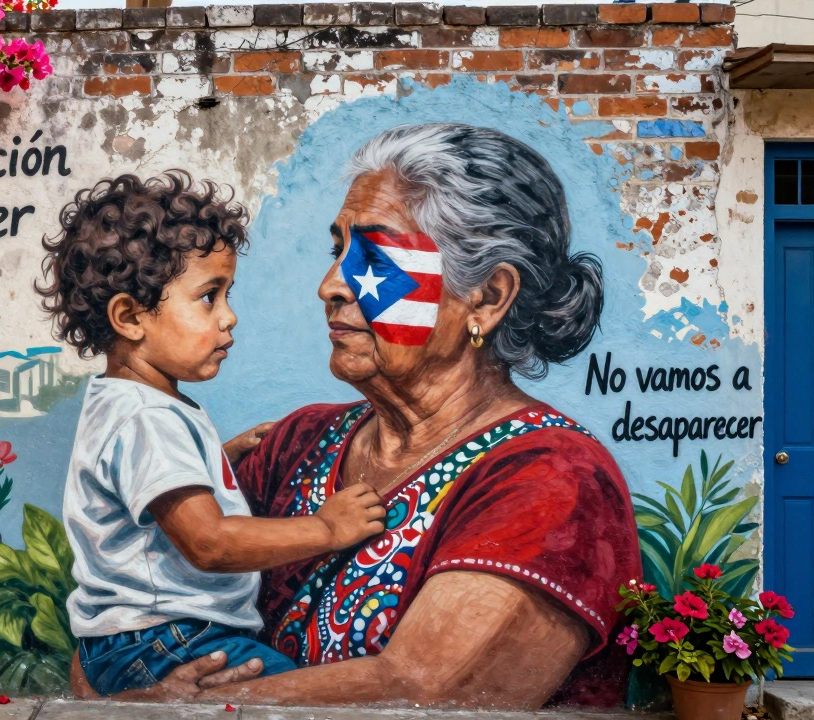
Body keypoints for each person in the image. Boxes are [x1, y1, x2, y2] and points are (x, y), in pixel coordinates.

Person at [71, 124, 643, 709]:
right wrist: (146, 697)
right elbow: (129, 607)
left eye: (377, 258)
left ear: (488, 297)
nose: (331, 286)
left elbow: (422, 694)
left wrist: (182, 711)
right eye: (338, 250)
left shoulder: (553, 478)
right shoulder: (296, 443)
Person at [38, 172, 387, 696]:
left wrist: (217, 456)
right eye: (208, 297)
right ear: (131, 317)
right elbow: (208, 542)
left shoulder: (128, 404)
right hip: (171, 640)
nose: (230, 318)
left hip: (127, 643)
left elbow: (141, 496)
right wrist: (327, 530)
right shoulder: (147, 418)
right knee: (313, 704)